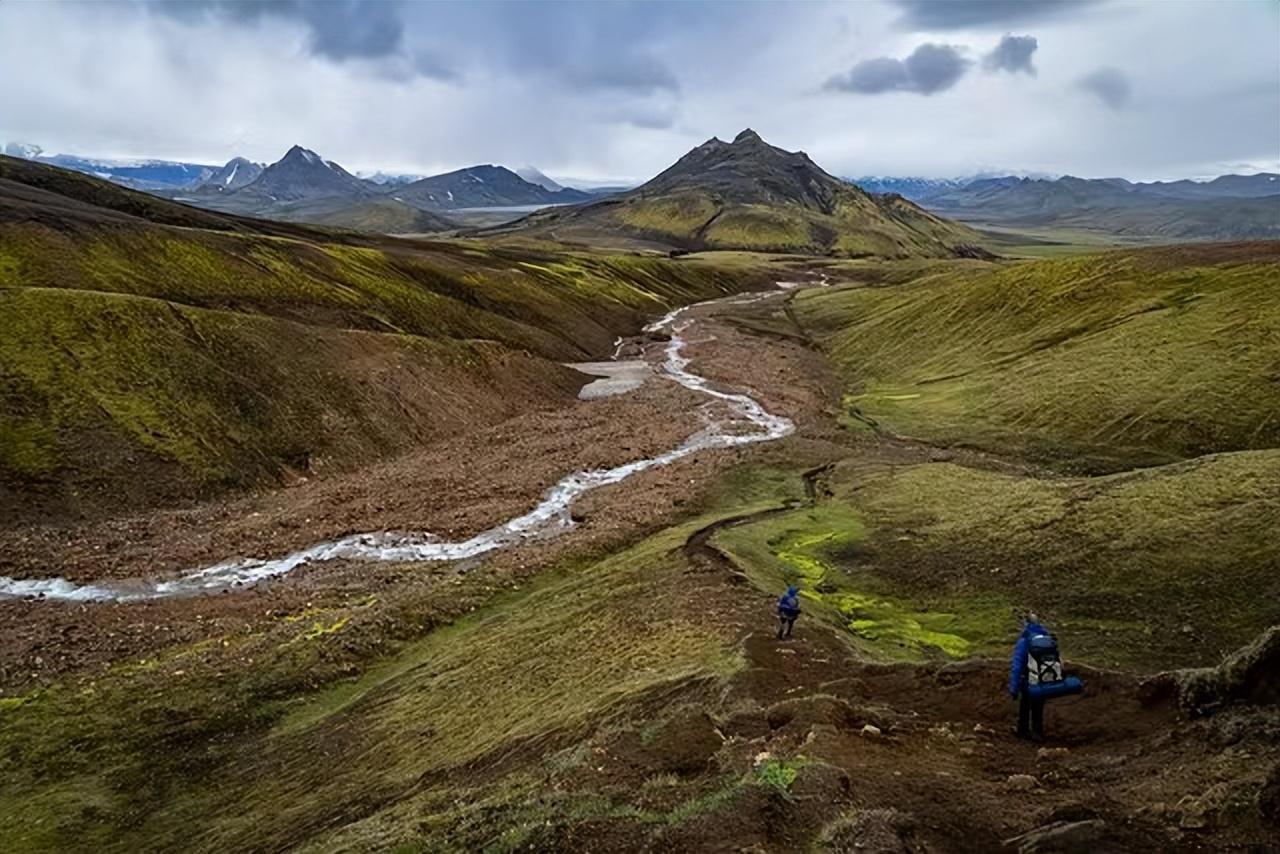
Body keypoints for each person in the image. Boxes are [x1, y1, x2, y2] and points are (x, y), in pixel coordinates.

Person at [1009, 614, 1052, 740]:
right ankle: (1038, 731)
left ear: (1026, 624)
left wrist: (1014, 689)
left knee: (1025, 705)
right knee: (1038, 707)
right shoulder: (1047, 639)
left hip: (1028, 679)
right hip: (1044, 679)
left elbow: (1017, 666)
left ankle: (1023, 730)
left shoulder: (1024, 641)